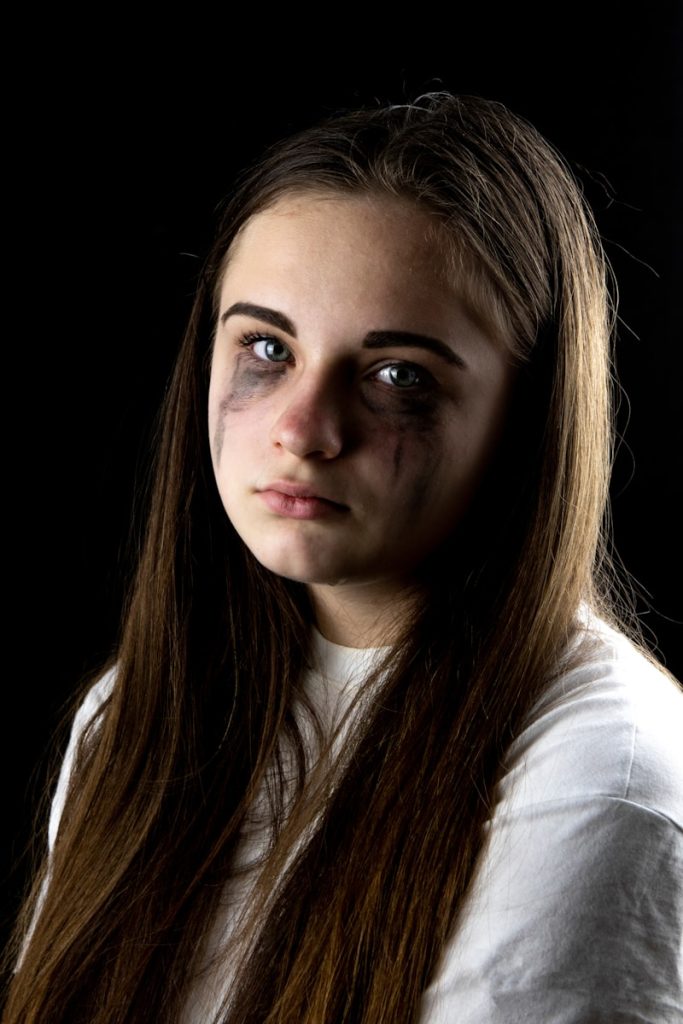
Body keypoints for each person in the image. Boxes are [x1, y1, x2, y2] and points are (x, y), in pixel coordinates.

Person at [3, 92, 682, 1023]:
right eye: (268, 348)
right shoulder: (129, 717)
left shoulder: (603, 770)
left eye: (397, 377)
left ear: (525, 423)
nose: (303, 430)